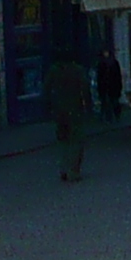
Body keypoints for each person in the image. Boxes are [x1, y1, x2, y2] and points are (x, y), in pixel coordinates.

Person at [45, 48, 96, 182]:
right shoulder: (78, 70)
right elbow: (85, 89)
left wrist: (49, 107)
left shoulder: (53, 71)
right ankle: (73, 171)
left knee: (63, 140)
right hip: (75, 110)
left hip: (59, 111)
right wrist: (89, 107)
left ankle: (63, 168)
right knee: (76, 141)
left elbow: (46, 89)